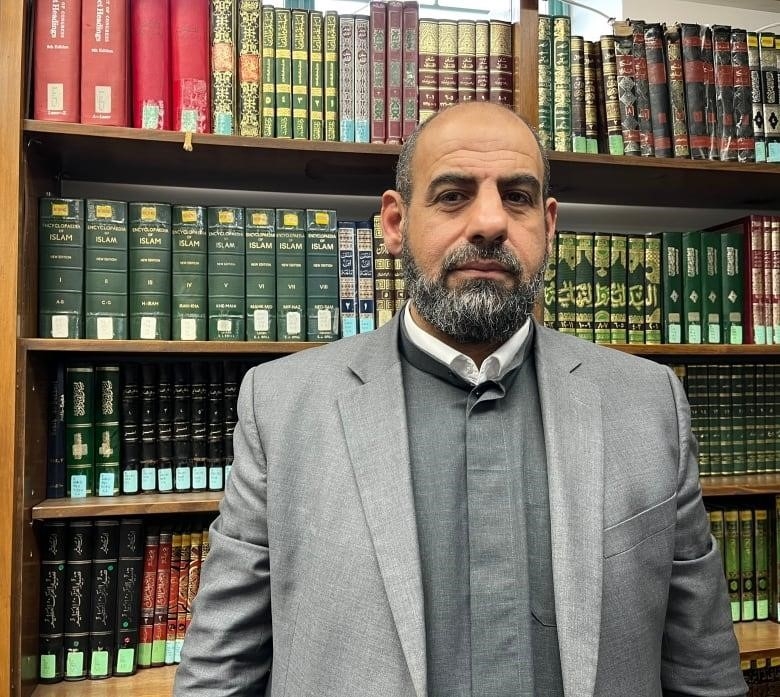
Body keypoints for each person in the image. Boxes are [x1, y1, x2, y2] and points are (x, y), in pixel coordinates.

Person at [174, 101, 747, 697]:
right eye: (453, 195)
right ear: (395, 224)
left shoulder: (649, 405)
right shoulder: (282, 406)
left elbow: (703, 669)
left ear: (549, 226)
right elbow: (222, 667)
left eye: (518, 198)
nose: (491, 222)